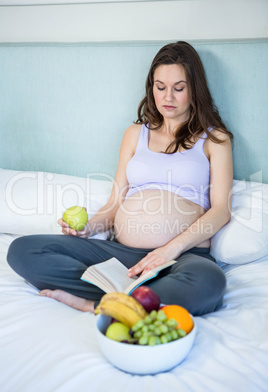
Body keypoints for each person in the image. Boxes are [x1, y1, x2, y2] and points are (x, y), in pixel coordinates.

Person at [7, 41, 233, 316]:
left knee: (209, 282)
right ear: (151, 87)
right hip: (121, 255)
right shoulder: (134, 134)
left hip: (182, 257)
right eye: (160, 87)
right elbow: (115, 203)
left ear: (194, 89)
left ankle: (101, 303)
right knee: (22, 250)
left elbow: (221, 210)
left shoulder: (215, 139)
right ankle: (141, 296)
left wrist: (169, 250)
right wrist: (89, 228)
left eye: (179, 88)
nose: (168, 97)